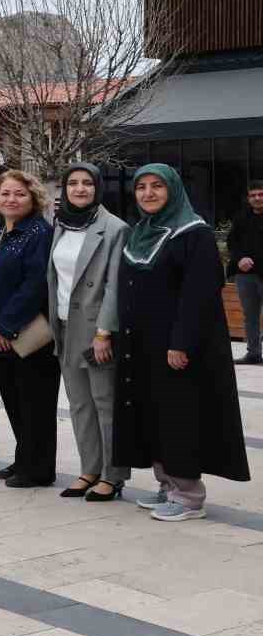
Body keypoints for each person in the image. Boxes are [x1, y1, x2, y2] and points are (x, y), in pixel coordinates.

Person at [115, 165, 250, 520]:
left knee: (178, 417)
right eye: (141, 187)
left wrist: (181, 343)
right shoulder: (140, 232)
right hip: (142, 344)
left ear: (173, 189)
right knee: (153, 414)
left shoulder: (194, 233)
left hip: (177, 346)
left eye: (157, 186)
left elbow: (200, 295)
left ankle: (189, 496)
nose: (148, 193)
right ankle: (168, 485)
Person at [47, 164, 130, 500]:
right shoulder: (61, 224)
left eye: (87, 183)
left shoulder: (114, 228)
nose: (80, 189)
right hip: (65, 326)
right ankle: (89, 469)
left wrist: (104, 332)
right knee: (79, 404)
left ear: (98, 188)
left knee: (104, 403)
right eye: (73, 183)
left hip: (96, 330)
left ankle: (113, 475)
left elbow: (114, 286)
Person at [0, 170, 58, 486]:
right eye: (5, 193)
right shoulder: (3, 231)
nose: (11, 199)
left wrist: (8, 324)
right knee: (14, 400)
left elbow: (35, 283)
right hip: (1, 333)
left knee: (35, 403)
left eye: (19, 194)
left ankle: (38, 469)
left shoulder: (39, 232)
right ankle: (25, 458)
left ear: (34, 198)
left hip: (29, 334)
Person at [228, 180, 263, 365]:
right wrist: (240, 258)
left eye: (261, 194)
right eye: (253, 195)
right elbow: (232, 242)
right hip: (246, 276)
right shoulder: (241, 218)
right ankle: (254, 353)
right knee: (250, 316)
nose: (257, 198)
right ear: (248, 198)